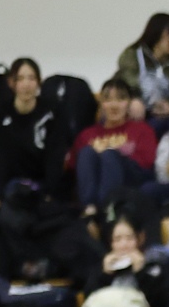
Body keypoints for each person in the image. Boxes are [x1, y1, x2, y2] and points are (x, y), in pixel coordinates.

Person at [0, 59, 66, 197]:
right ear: (11, 83)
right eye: (20, 79)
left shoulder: (51, 113)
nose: (26, 84)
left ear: (39, 82)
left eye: (31, 78)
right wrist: (5, 196)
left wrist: (49, 194)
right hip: (12, 191)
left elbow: (55, 158)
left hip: (43, 190)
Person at [66, 79, 158, 210]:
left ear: (129, 103)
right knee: (87, 152)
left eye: (120, 99)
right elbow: (73, 165)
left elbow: (147, 162)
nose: (114, 105)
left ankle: (107, 209)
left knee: (109, 155)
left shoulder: (142, 129)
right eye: (108, 99)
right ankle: (89, 208)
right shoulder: (87, 134)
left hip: (130, 183)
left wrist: (115, 153)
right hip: (93, 187)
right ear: (101, 104)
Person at [113, 13, 169, 125]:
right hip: (132, 113)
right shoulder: (133, 56)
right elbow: (123, 83)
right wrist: (134, 99)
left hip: (164, 118)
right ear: (156, 33)